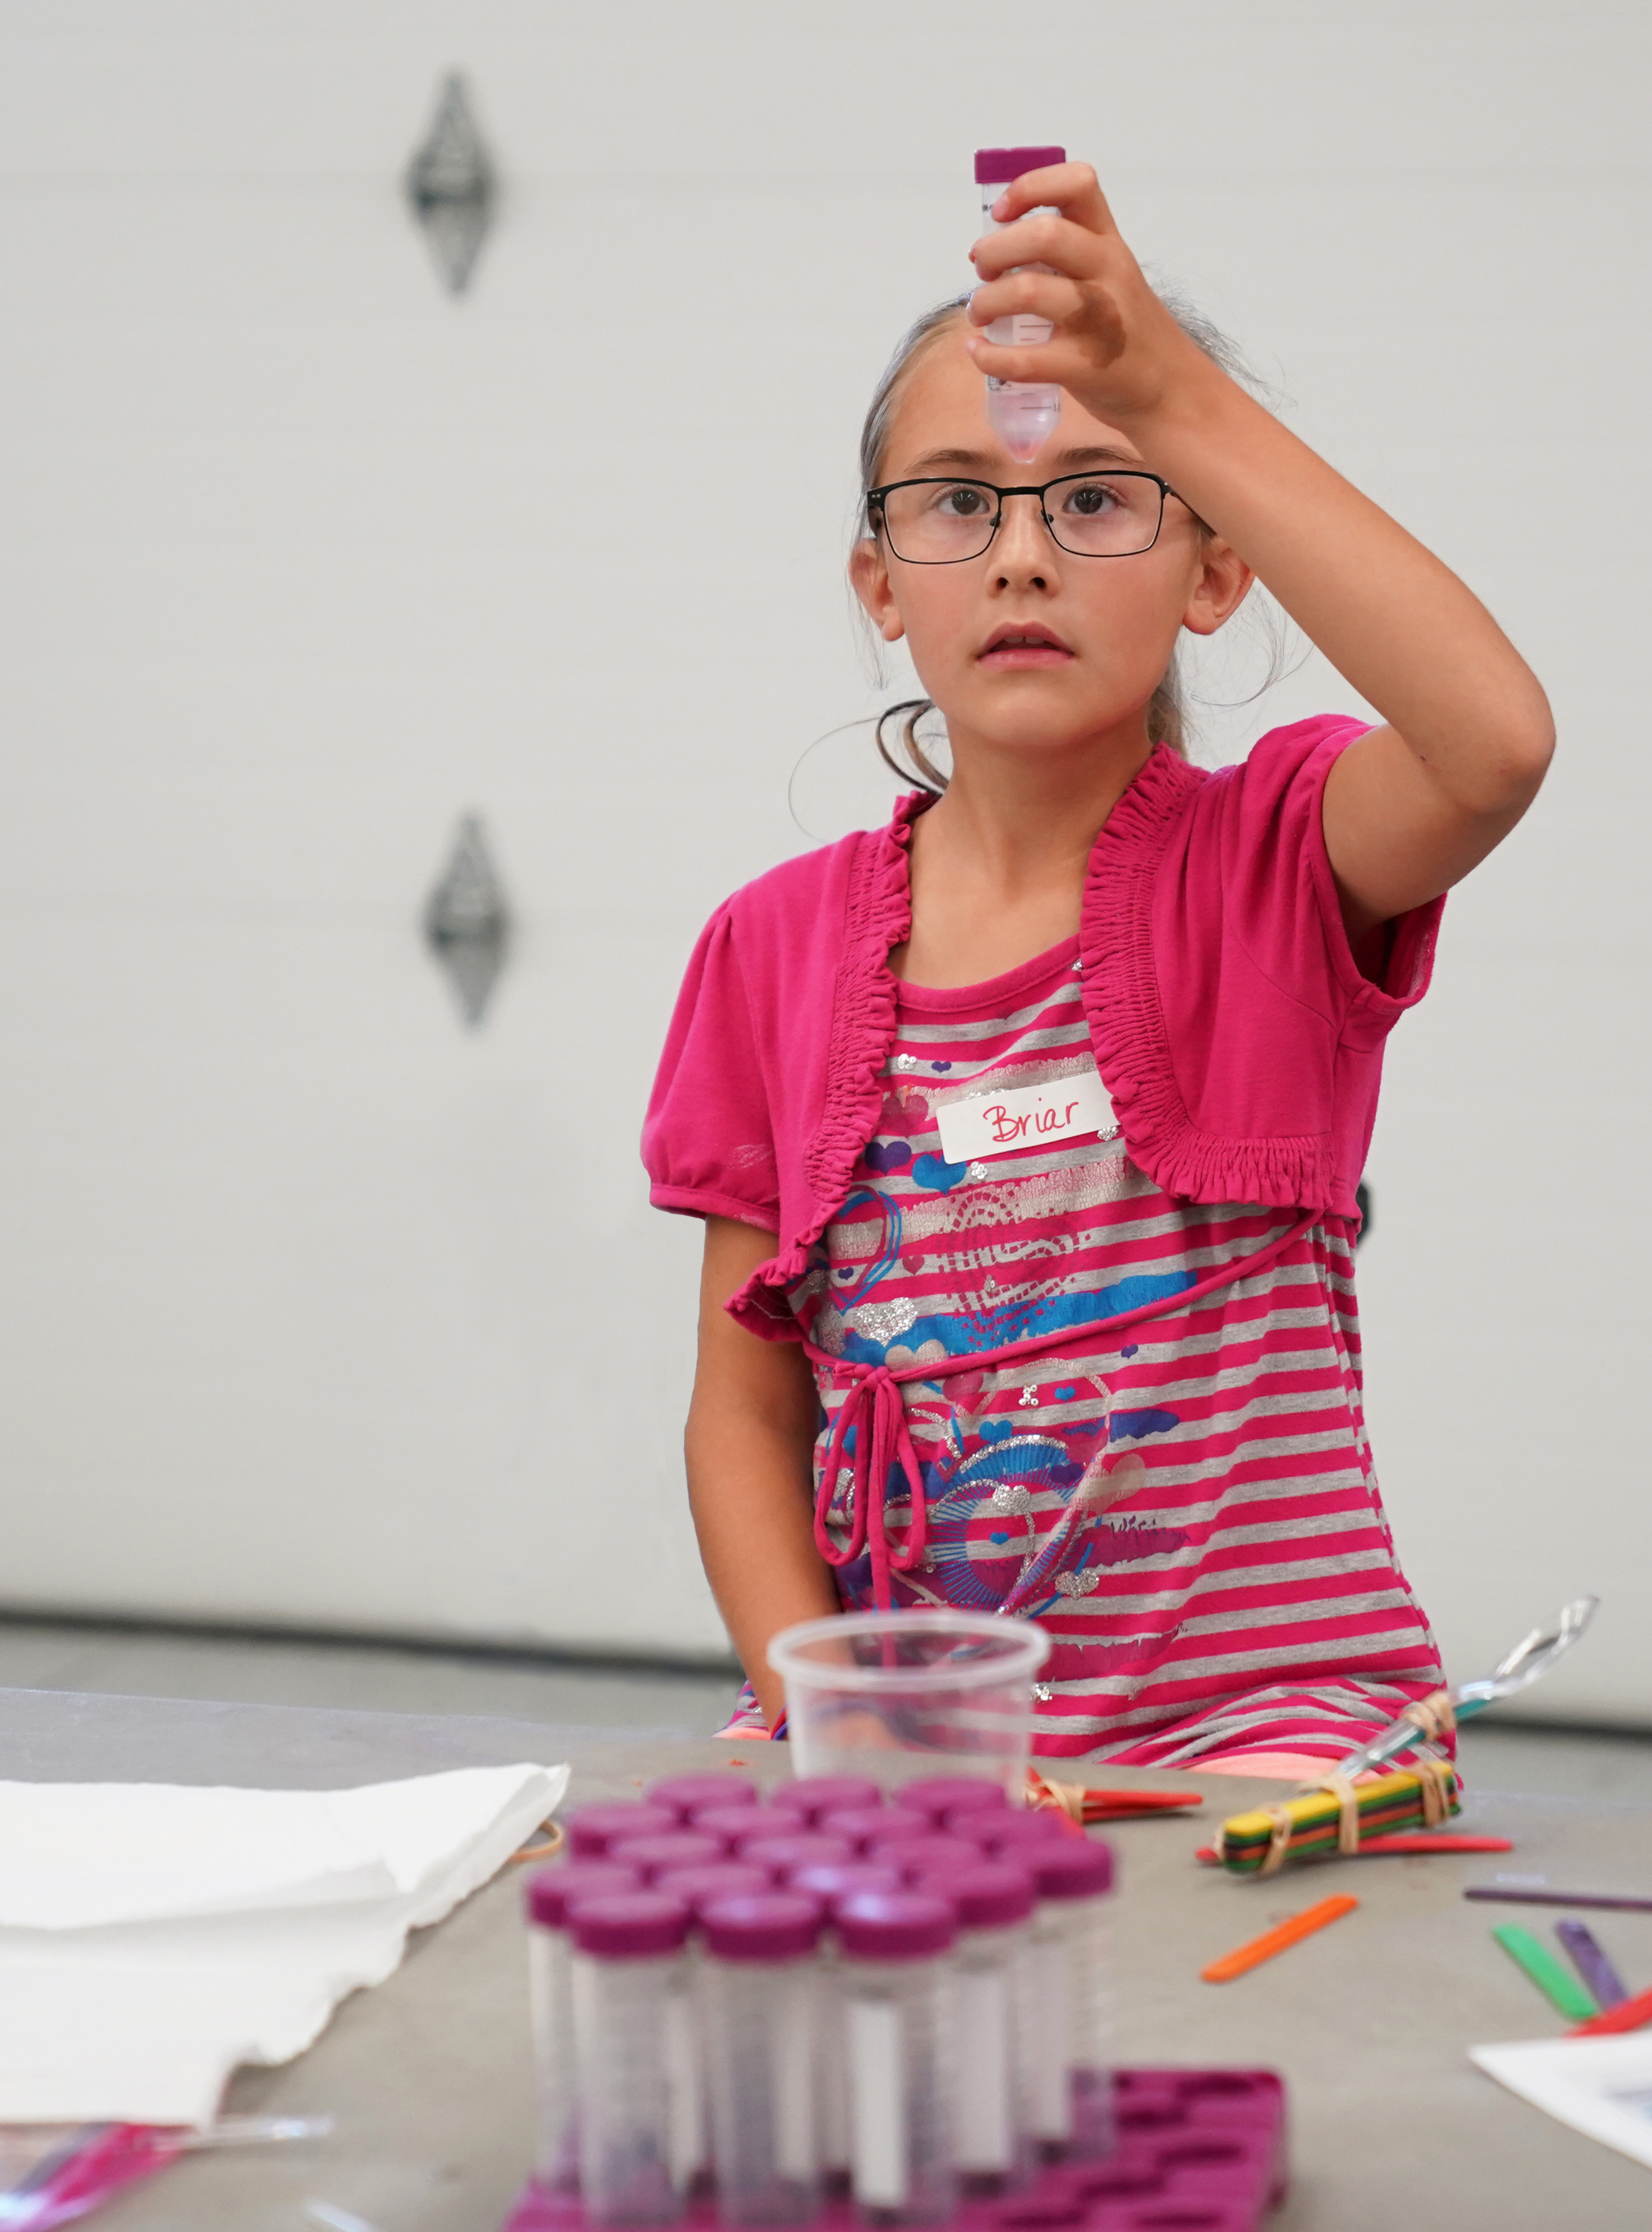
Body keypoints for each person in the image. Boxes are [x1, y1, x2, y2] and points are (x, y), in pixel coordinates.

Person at [641, 163, 1553, 1775]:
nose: (1018, 557)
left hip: (1259, 1724)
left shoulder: (1278, 861)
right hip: (907, 1729)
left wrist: (1169, 396)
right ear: (881, 587)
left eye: (1096, 497)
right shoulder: (766, 947)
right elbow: (743, 1411)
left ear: (1216, 571)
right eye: (954, 502)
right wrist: (822, 1715)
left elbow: (1492, 746)